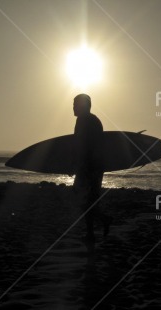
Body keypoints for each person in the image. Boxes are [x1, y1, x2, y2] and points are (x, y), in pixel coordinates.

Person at [72, 94, 112, 241]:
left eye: (75, 104)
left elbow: (81, 145)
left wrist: (77, 165)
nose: (73, 107)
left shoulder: (83, 120)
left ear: (83, 105)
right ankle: (95, 228)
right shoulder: (94, 120)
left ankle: (99, 224)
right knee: (88, 199)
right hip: (96, 166)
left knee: (83, 198)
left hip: (89, 166)